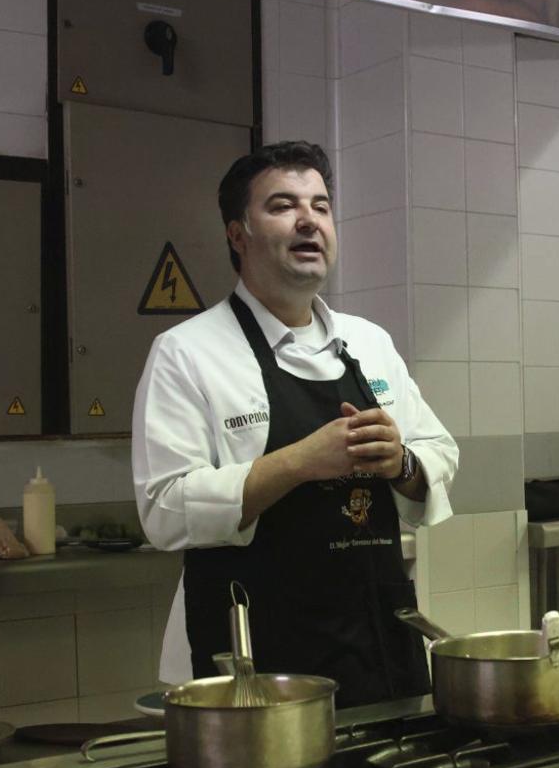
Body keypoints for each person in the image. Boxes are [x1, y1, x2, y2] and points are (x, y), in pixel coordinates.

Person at [132, 141, 458, 707]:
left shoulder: (370, 342)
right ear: (238, 234)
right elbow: (163, 508)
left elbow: (436, 450)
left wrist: (401, 462)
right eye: (283, 206)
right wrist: (299, 463)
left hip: (375, 635)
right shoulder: (187, 352)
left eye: (321, 206)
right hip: (254, 649)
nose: (309, 220)